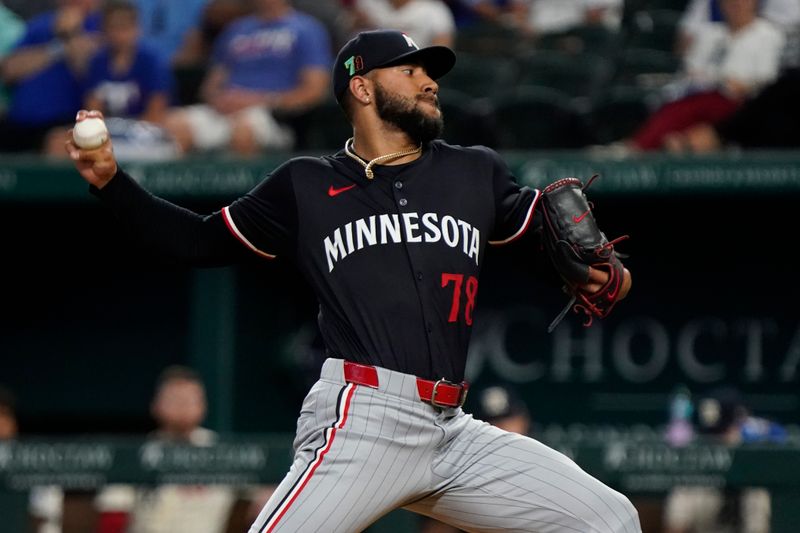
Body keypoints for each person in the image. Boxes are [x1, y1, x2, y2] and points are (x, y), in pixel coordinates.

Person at [67, 29, 638, 532]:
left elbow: (549, 240)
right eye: (410, 71)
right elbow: (196, 241)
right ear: (361, 88)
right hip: (364, 418)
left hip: (454, 429)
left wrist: (598, 276)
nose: (429, 83)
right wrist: (112, 183)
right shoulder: (305, 185)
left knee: (609, 519)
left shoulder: (473, 171)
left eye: (429, 73)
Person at [95, 365, 253, 533]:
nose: (182, 407)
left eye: (189, 400)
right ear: (155, 405)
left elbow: (258, 502)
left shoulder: (222, 452)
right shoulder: (136, 455)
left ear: (203, 406)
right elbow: (112, 514)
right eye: (174, 399)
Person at [162, 0, 332, 156]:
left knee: (243, 130)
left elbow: (314, 91)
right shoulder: (235, 29)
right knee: (175, 124)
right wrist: (219, 100)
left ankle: (245, 190)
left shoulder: (307, 29)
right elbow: (211, 85)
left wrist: (256, 100)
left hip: (272, 115)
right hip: (225, 109)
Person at [627, 0, 785, 151]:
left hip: (740, 103)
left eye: (742, 1)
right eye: (730, 2)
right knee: (678, 104)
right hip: (701, 97)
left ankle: (640, 146)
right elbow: (691, 71)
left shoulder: (768, 34)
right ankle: (672, 143)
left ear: (754, 3)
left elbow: (768, 82)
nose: (736, 6)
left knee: (693, 107)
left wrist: (739, 85)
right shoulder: (710, 33)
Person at [663, 386, 787, 533]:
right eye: (712, 435)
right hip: (710, 503)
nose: (716, 442)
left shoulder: (755, 434)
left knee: (758, 494)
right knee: (688, 488)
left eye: (722, 432)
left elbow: (782, 437)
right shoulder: (700, 458)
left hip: (748, 496)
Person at [0, 0, 102, 153]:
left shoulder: (99, 26)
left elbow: (87, 71)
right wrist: (59, 49)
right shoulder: (40, 25)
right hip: (19, 122)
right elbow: (9, 70)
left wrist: (71, 33)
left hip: (65, 122)